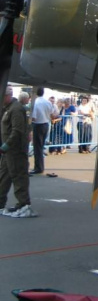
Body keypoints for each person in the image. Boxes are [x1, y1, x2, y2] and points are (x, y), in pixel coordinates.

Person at [0, 86, 37, 217]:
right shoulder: (8, 108)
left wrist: (5, 146)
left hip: (15, 150)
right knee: (4, 176)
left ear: (7, 96)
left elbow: (17, 131)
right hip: (9, 150)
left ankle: (24, 205)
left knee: (18, 176)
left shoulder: (15, 109)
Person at [31, 87, 54, 174]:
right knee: (41, 146)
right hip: (46, 124)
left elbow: (33, 117)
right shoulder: (48, 102)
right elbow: (52, 114)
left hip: (38, 125)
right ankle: (40, 166)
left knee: (37, 148)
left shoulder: (36, 103)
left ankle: (38, 167)